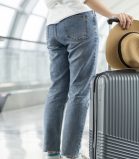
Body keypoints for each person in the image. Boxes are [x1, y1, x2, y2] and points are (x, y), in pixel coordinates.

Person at [43, 0, 133, 158]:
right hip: (78, 20)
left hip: (52, 25)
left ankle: (52, 151)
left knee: (57, 90)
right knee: (79, 91)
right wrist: (112, 14)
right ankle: (71, 153)